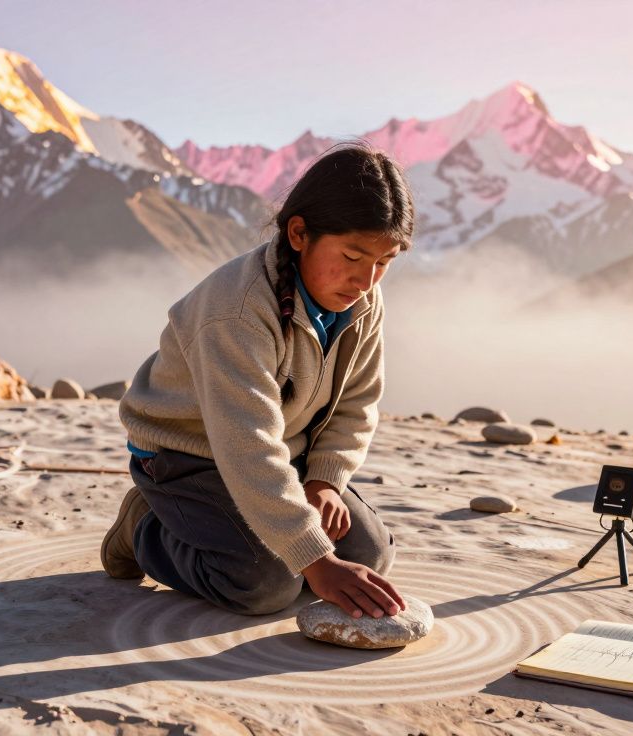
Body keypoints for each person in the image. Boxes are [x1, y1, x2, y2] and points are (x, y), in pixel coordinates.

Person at [101, 142, 415, 619]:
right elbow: (245, 444)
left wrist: (325, 480)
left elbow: (357, 402)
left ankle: (265, 529)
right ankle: (144, 526)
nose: (366, 279)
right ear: (298, 234)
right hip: (187, 455)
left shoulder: (361, 300)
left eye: (384, 262)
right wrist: (316, 558)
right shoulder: (237, 311)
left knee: (369, 556)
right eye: (352, 256)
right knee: (263, 584)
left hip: (282, 452)